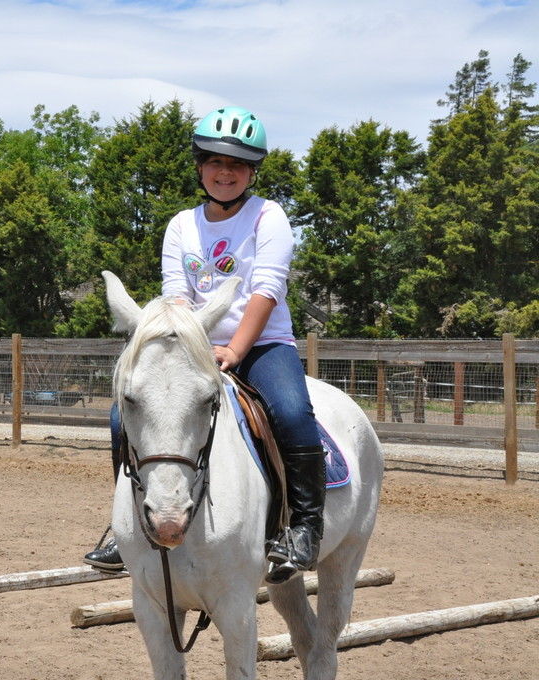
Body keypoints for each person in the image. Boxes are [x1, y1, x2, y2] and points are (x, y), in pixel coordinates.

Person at [84, 106, 325, 585]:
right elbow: (177, 296)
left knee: (293, 411)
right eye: (215, 162)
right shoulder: (182, 225)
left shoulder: (268, 216)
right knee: (121, 412)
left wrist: (235, 350)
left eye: (237, 165)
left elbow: (266, 289)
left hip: (261, 345)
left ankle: (304, 527)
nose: (225, 172)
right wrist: (188, 346)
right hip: (194, 348)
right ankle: (124, 523)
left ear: (252, 171)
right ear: (200, 166)